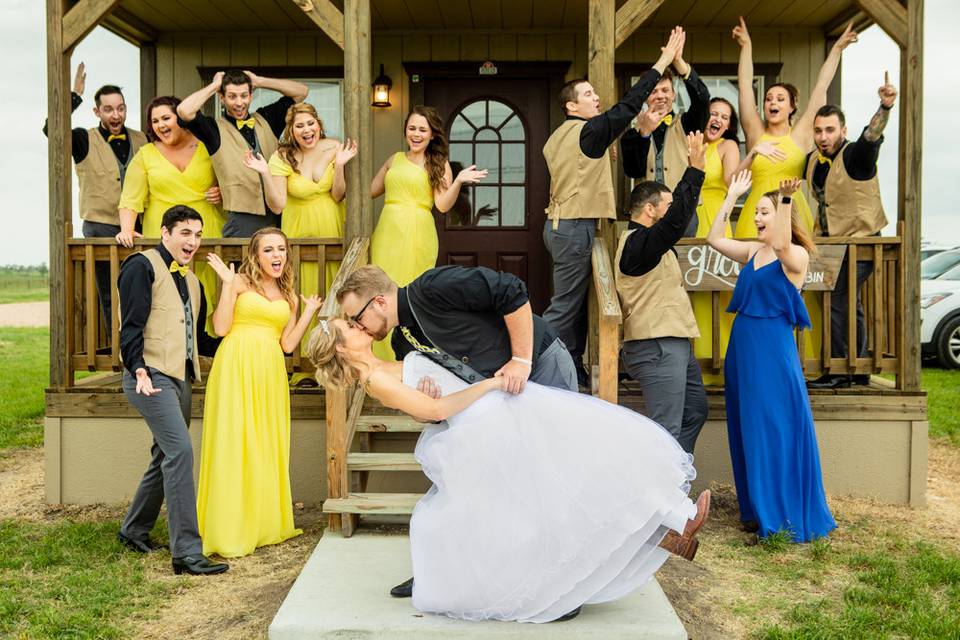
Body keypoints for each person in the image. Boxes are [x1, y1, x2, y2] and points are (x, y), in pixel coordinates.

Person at [305, 317, 711, 623]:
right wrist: (492, 384)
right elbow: (436, 409)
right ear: (341, 348)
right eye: (350, 326)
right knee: (560, 486)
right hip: (482, 426)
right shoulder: (374, 378)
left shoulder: (389, 360)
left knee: (584, 463)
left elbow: (431, 400)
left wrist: (452, 393)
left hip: (493, 414)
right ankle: (667, 526)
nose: (359, 325)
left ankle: (676, 519)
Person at [337, 263, 581, 599]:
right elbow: (436, 405)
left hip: (540, 363)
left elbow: (512, 290)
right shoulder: (401, 342)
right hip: (499, 399)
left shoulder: (434, 286)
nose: (357, 326)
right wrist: (429, 408)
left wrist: (521, 360)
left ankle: (566, 587)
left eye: (356, 317)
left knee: (553, 475)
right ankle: (441, 574)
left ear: (378, 302)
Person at [542, 28, 685, 388]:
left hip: (562, 224)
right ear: (572, 106)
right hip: (574, 226)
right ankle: (537, 369)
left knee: (573, 306)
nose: (597, 97)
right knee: (565, 307)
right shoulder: (587, 132)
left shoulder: (563, 135)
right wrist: (662, 64)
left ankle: (569, 367)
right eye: (588, 94)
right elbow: (627, 107)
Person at [706, 174, 836, 543]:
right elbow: (714, 239)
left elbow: (780, 243)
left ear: (782, 216)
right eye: (758, 212)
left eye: (765, 212)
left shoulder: (794, 255)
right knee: (747, 429)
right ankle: (755, 511)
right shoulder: (752, 252)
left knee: (771, 431)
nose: (760, 218)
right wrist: (731, 196)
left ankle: (777, 520)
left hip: (771, 357)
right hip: (742, 353)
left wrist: (784, 199)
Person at [731, 18, 858, 363]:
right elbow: (744, 88)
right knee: (756, 285)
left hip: (790, 213)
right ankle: (751, 353)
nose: (772, 101)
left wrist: (835, 50)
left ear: (791, 106)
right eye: (769, 97)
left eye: (780, 98)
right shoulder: (756, 134)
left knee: (791, 282)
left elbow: (821, 88)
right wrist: (747, 48)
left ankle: (795, 358)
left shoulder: (801, 135)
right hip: (755, 218)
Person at [116, 205, 228, 576]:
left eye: (197, 235)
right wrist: (137, 367)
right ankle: (187, 553)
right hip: (149, 376)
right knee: (180, 452)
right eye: (185, 233)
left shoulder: (193, 281)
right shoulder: (141, 266)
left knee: (163, 454)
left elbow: (202, 340)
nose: (192, 242)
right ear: (165, 233)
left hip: (181, 378)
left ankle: (133, 529)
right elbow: (130, 325)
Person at [196, 228, 321, 557]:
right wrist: (227, 285)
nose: (277, 255)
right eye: (268, 249)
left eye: (281, 248)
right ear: (256, 255)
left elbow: (288, 344)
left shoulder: (290, 296)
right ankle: (228, 526)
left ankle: (263, 523)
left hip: (269, 371)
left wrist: (308, 312)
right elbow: (221, 328)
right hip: (236, 364)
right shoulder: (239, 283)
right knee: (234, 439)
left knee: (264, 441)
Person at [244, 102, 356, 385]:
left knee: (332, 294)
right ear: (291, 131)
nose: (306, 130)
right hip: (298, 234)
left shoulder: (334, 148)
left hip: (331, 229)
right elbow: (278, 205)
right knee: (304, 295)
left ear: (318, 124)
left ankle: (337, 359)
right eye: (299, 126)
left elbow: (338, 194)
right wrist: (265, 173)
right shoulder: (282, 157)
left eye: (310, 124)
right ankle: (307, 365)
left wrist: (341, 166)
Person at [369, 106, 487, 359]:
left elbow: (443, 205)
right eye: (412, 128)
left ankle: (407, 354)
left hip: (418, 232)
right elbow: (370, 190)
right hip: (388, 230)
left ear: (432, 134)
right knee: (381, 288)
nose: (416, 134)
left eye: (423, 129)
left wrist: (457, 181)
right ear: (405, 131)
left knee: (409, 291)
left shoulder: (438, 164)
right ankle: (379, 355)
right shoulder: (394, 159)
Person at [615, 132, 708, 454]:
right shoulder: (638, 244)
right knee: (664, 427)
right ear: (651, 210)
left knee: (695, 411)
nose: (674, 212)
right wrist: (694, 171)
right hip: (655, 344)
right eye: (668, 206)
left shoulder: (653, 244)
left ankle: (675, 483)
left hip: (674, 341)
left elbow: (676, 226)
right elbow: (675, 225)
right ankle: (659, 499)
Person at [805, 75, 897, 389]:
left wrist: (884, 107)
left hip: (861, 245)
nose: (823, 136)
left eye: (829, 130)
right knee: (843, 302)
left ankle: (841, 370)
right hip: (831, 248)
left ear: (843, 131)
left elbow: (872, 135)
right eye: (818, 130)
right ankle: (854, 369)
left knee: (840, 299)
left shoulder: (856, 156)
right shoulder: (814, 162)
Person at [42, 63, 147, 326]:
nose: (116, 115)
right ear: (97, 111)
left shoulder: (142, 139)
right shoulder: (82, 139)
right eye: (108, 109)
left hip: (139, 226)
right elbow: (50, 129)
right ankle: (119, 354)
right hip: (100, 227)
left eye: (120, 108)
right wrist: (73, 96)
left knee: (141, 292)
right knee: (111, 294)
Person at [117, 95, 225, 334]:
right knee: (167, 295)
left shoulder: (206, 145)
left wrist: (222, 191)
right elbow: (130, 198)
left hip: (206, 231)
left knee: (208, 291)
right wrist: (126, 228)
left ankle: (206, 352)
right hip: (163, 232)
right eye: (155, 121)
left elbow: (231, 178)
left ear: (181, 117)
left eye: (166, 118)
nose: (161, 125)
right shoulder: (146, 154)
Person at [177, 69, 309, 237]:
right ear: (222, 97)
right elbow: (183, 111)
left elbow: (302, 92)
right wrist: (215, 85)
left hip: (281, 213)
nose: (239, 102)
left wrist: (259, 81)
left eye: (244, 95)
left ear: (251, 95)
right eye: (232, 96)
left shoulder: (267, 117)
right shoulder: (213, 129)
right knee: (241, 263)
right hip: (243, 218)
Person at [620, 38, 711, 220]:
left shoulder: (687, 124)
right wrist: (644, 133)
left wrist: (680, 64)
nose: (660, 96)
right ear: (646, 97)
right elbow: (633, 170)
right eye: (654, 91)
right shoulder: (632, 135)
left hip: (683, 209)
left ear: (673, 94)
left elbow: (702, 100)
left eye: (665, 90)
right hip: (646, 215)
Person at [691, 98, 741, 384]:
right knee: (694, 291)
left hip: (715, 219)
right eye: (713, 113)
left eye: (724, 117)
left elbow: (732, 178)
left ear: (729, 125)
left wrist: (753, 155)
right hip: (690, 219)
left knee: (719, 291)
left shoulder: (728, 146)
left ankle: (720, 365)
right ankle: (695, 364)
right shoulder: (692, 141)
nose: (718, 119)